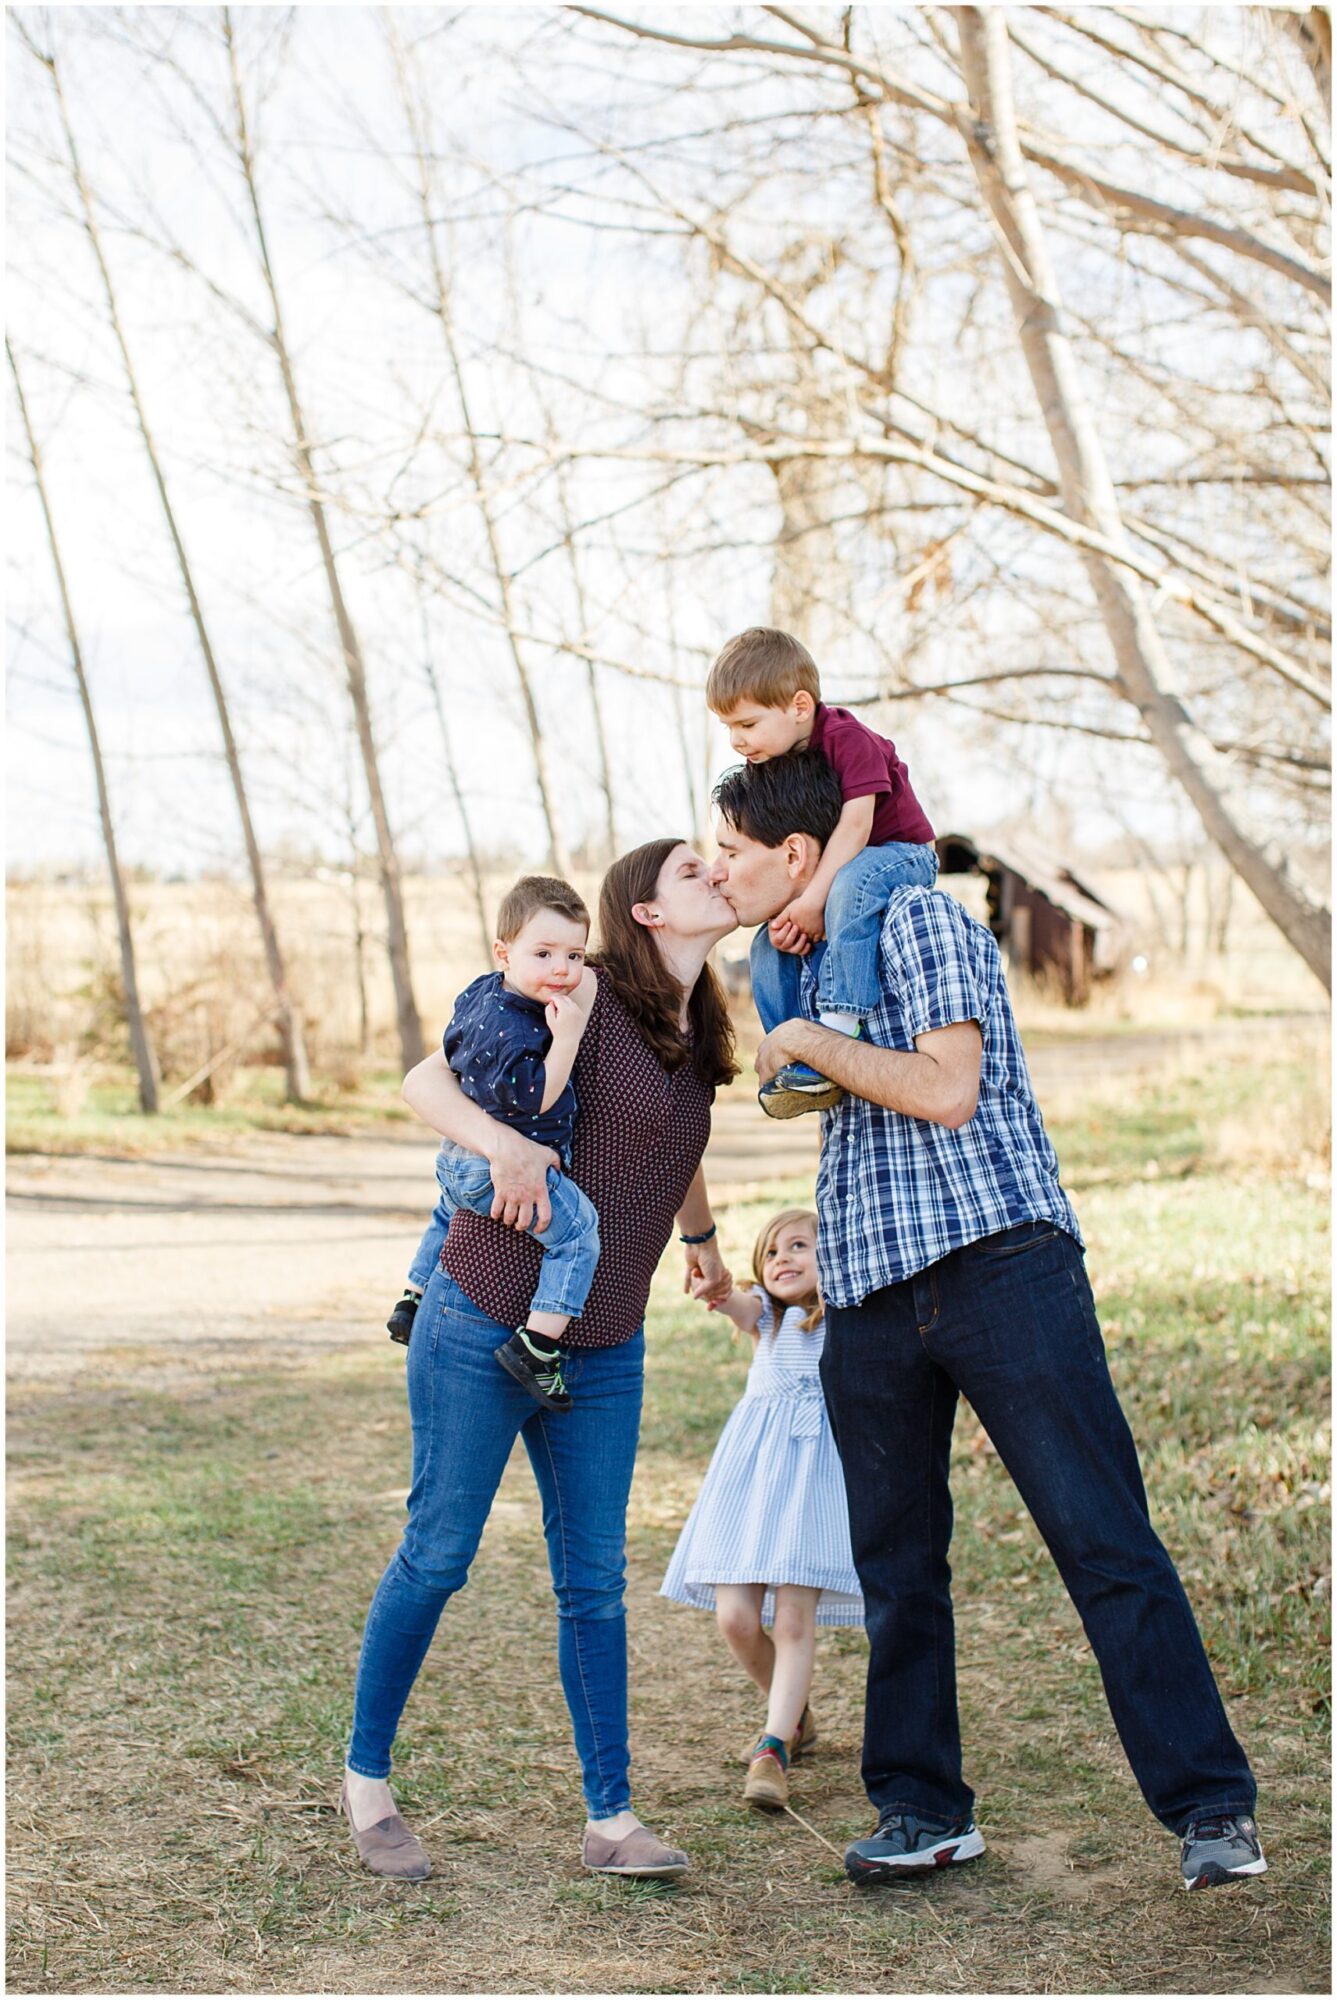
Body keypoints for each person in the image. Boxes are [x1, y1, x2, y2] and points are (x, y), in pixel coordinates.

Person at [708, 753, 1264, 1895]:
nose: (719, 865)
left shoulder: (921, 919)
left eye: (732, 847)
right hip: (866, 1289)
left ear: (798, 854)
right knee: (897, 1567)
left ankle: (1210, 1804)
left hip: (996, 1261)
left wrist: (811, 1043)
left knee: (1099, 1536)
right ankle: (920, 1808)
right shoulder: (791, 961)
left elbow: (945, 1088)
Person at [342, 840, 738, 1884]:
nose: (719, 870)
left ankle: (609, 1818)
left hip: (603, 1343)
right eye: (695, 866)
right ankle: (366, 1782)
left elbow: (671, 1137)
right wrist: (503, 1146)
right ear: (646, 911)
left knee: (593, 1582)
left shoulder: (697, 1020)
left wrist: (699, 1240)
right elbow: (425, 1076)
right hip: (482, 1315)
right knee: (437, 1552)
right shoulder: (583, 986)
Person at [661, 1206, 863, 1815]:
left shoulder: (846, 1324)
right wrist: (713, 1282)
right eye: (772, 1252)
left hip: (813, 1480)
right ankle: (795, 1711)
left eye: (800, 1246)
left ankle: (772, 1748)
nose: (783, 1260)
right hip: (750, 1481)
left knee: (795, 1620)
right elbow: (732, 1301)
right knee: (737, 1620)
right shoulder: (766, 1318)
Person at [385, 875, 599, 1412]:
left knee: (446, 1211)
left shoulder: (481, 993)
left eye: (575, 955)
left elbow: (454, 1050)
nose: (562, 970)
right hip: (497, 1166)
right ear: (504, 953)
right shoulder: (523, 1029)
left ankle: (413, 1296)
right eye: (544, 953)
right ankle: (538, 1345)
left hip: (456, 1159)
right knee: (578, 1236)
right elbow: (541, 1098)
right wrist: (568, 1037)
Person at [706, 626, 937, 1117]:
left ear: (799, 706)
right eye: (728, 728)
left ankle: (836, 1027)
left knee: (850, 886)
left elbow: (857, 825)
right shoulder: (781, 753)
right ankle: (794, 1053)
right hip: (850, 862)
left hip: (900, 852)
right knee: (770, 941)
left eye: (746, 724)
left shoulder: (847, 740)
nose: (736, 740)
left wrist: (812, 902)